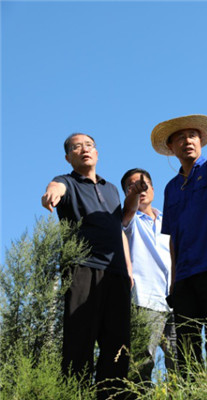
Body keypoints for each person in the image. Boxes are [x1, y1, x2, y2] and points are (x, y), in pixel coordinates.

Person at [41, 133, 132, 399]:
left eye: (89, 145)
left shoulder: (111, 188)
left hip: (116, 273)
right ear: (68, 157)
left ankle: (112, 395)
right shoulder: (66, 181)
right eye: (76, 147)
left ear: (97, 152)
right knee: (79, 340)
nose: (84, 149)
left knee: (118, 344)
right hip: (81, 268)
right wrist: (51, 194)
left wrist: (128, 270)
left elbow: (119, 230)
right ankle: (74, 394)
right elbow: (55, 188)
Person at [151, 114, 207, 369]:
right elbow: (172, 237)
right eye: (179, 138)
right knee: (186, 348)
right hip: (185, 277)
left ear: (201, 141)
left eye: (192, 136)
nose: (187, 141)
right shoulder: (171, 188)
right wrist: (173, 280)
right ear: (171, 148)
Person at [120, 168, 176, 384]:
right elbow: (129, 211)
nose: (140, 189)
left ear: (153, 188)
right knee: (142, 364)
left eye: (144, 185)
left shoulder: (167, 220)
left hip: (175, 300)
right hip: (145, 300)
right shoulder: (128, 221)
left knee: (182, 364)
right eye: (131, 187)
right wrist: (134, 192)